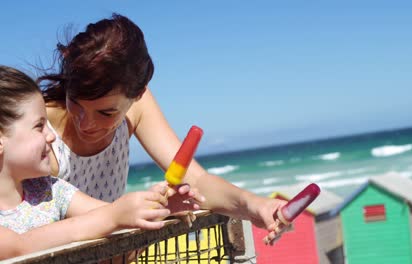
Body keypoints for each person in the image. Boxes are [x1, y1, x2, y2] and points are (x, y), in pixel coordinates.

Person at [38, 13, 286, 236]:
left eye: (105, 112)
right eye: (76, 103)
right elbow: (32, 233)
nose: (86, 123)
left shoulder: (139, 108)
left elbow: (197, 182)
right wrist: (145, 211)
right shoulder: (38, 132)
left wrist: (256, 205)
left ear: (138, 95)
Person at [0, 65, 200, 260]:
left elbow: (111, 216)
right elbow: (18, 248)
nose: (51, 136)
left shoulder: (49, 189)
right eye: (39, 126)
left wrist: (158, 208)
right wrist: (114, 216)